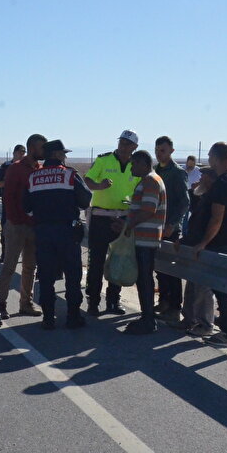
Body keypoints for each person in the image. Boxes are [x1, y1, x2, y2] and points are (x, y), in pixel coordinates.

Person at [26, 140, 91, 329]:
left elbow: (26, 207)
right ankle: (73, 316)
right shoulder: (69, 174)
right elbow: (86, 200)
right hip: (67, 232)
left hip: (43, 232)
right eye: (63, 153)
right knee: (72, 275)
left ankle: (48, 318)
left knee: (46, 276)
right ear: (56, 155)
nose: (65, 157)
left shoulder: (34, 177)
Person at [191, 142, 227, 345]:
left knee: (221, 288)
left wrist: (204, 243)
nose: (208, 159)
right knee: (224, 288)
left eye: (209, 156)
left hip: (222, 244)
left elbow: (217, 218)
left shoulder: (224, 183)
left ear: (216, 158)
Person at [83, 131, 141, 316]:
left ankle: (113, 301)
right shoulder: (104, 160)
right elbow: (88, 179)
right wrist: (99, 186)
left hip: (123, 218)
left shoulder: (136, 165)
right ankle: (93, 301)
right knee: (96, 262)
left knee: (119, 260)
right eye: (121, 142)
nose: (123, 146)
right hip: (101, 217)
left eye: (127, 143)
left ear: (134, 147)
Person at [0, 135, 45, 318]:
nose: (44, 151)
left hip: (33, 227)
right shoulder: (15, 169)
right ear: (31, 148)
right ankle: (1, 304)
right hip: (16, 226)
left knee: (30, 267)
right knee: (9, 265)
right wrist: (17, 221)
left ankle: (26, 304)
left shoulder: (40, 169)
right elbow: (8, 197)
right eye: (41, 148)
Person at [119, 151, 167, 334]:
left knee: (145, 279)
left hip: (146, 240)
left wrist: (128, 225)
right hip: (144, 238)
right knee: (143, 278)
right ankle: (146, 317)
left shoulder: (150, 181)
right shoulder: (149, 180)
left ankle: (148, 320)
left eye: (134, 164)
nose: (131, 167)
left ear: (142, 163)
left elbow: (148, 210)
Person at [175, 167, 217, 337]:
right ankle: (189, 319)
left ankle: (205, 324)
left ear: (211, 179)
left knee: (203, 288)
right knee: (192, 285)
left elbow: (206, 225)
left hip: (205, 247)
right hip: (195, 246)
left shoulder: (214, 199)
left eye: (205, 175)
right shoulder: (203, 197)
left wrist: (202, 242)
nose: (201, 177)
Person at [153, 136, 190, 325]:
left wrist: (172, 225)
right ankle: (164, 302)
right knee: (160, 268)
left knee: (171, 270)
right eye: (157, 150)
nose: (159, 154)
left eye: (163, 150)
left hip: (170, 228)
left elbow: (185, 202)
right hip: (156, 226)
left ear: (171, 152)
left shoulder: (177, 173)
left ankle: (175, 308)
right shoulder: (156, 171)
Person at [0, 144, 26, 263]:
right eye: (20, 152)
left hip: (23, 204)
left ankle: (24, 255)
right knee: (6, 230)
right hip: (8, 203)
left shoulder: (26, 166)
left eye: (24, 152)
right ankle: (4, 254)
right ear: (14, 153)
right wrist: (9, 181)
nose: (22, 154)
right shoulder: (6, 166)